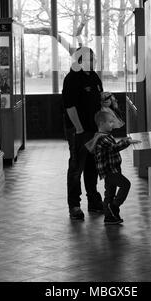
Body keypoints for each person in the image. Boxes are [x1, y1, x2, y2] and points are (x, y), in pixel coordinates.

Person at [62, 46, 104, 220]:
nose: (94, 62)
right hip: (77, 130)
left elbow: (98, 99)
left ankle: (93, 201)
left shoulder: (94, 77)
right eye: (91, 59)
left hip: (94, 129)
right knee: (76, 167)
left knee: (92, 165)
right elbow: (69, 106)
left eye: (94, 58)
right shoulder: (72, 79)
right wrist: (79, 129)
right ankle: (74, 205)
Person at [85, 110, 136, 225]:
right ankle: (114, 206)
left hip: (113, 170)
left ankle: (109, 217)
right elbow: (114, 148)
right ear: (102, 123)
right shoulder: (102, 138)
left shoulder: (105, 136)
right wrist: (127, 141)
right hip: (110, 171)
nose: (113, 124)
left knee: (109, 193)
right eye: (110, 122)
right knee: (126, 184)